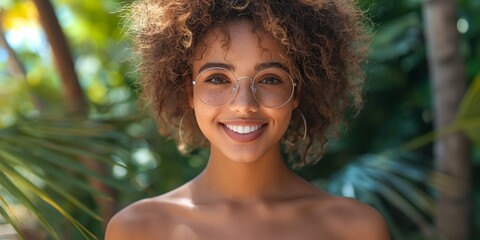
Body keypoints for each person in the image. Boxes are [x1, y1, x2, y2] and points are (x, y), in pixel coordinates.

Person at [106, 0, 390, 239]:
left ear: (296, 93)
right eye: (217, 78)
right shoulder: (137, 230)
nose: (244, 105)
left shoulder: (355, 229)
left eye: (269, 79)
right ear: (188, 93)